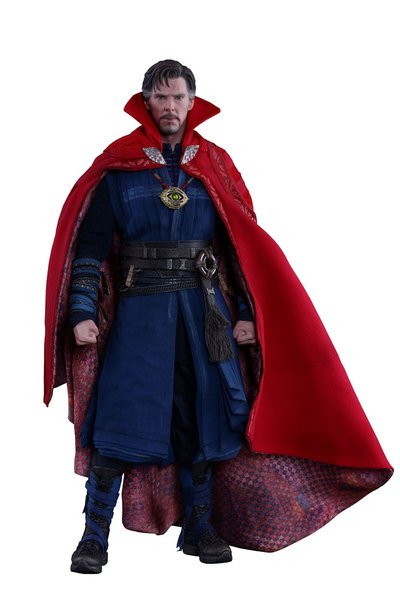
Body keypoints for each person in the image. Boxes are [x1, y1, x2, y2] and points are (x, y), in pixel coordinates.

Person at [44, 60, 393, 574]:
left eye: (177, 97)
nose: (169, 107)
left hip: (203, 313)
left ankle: (201, 528)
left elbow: (242, 247)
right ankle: (93, 537)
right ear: (145, 101)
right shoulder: (117, 168)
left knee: (203, 419)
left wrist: (250, 314)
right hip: (139, 317)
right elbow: (90, 250)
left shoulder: (215, 164)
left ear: (192, 102)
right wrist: (80, 312)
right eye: (160, 97)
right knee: (118, 420)